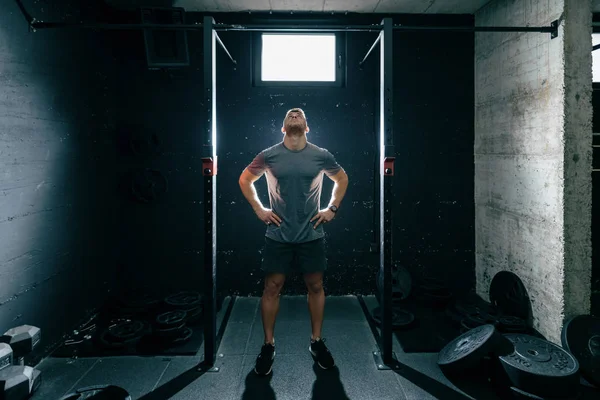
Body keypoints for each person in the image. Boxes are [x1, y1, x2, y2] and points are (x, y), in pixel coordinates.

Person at [238, 108, 349, 376]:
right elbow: (245, 179)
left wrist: (332, 208)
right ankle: (268, 345)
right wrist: (259, 209)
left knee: (316, 286)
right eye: (291, 114)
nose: (295, 113)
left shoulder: (321, 155)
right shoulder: (269, 155)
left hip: (311, 233)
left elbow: (342, 178)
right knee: (272, 287)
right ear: (283, 128)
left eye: (299, 114)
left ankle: (316, 341)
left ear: (307, 128)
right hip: (279, 235)